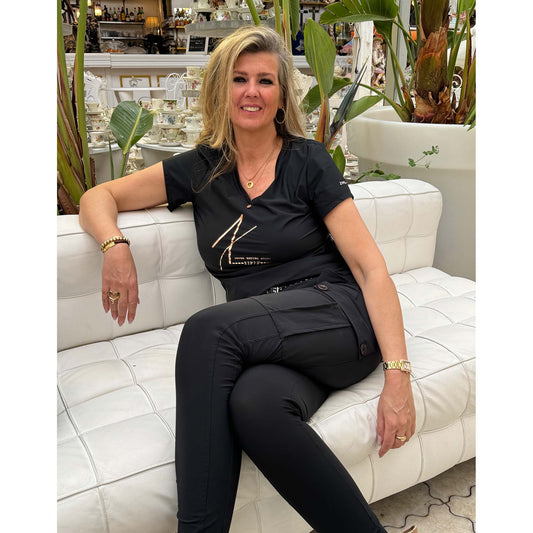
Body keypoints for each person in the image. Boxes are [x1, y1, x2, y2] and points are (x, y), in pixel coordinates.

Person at [79, 25, 416, 533]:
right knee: (254, 406)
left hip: (336, 318)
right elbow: (99, 196)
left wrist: (398, 377)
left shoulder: (308, 162)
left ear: (281, 96)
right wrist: (115, 245)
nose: (251, 92)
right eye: (239, 79)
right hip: (267, 339)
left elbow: (370, 268)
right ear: (222, 90)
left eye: (265, 80)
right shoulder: (200, 169)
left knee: (208, 329)